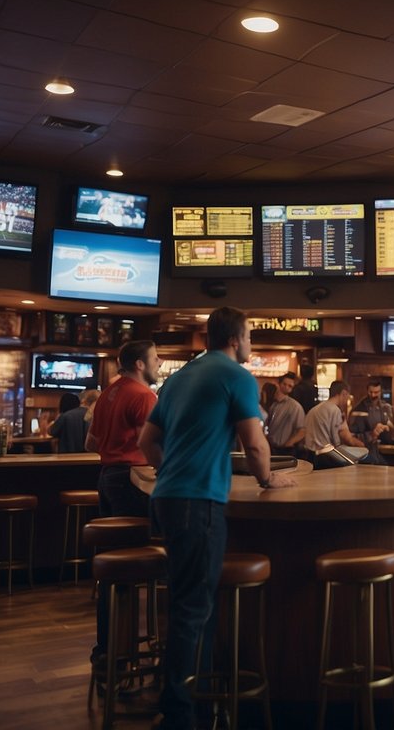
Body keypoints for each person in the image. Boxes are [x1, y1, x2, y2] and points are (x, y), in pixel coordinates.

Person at [138, 307, 296, 730]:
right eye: (249, 337)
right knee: (193, 610)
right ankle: (178, 715)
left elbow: (147, 441)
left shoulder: (178, 378)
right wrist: (268, 480)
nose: (251, 345)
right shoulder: (237, 376)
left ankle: (193, 702)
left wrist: (173, 468)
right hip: (197, 503)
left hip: (167, 499)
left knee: (186, 604)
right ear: (235, 339)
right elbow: (255, 445)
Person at [88, 340, 159, 518]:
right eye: (155, 358)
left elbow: (90, 443)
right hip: (132, 479)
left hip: (107, 477)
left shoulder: (106, 394)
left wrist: (115, 450)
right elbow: (148, 442)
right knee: (135, 541)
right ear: (140, 364)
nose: (160, 362)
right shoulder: (144, 396)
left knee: (114, 541)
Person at [303, 380, 366, 467]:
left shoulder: (313, 410)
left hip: (309, 456)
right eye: (348, 396)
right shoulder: (335, 410)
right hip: (325, 458)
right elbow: (341, 440)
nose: (347, 400)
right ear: (344, 393)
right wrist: (362, 447)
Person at [349, 381, 394, 463]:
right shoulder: (359, 409)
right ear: (367, 391)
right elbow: (351, 437)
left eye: (376, 392)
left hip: (382, 452)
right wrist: (372, 434)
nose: (373, 395)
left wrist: (387, 428)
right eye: (371, 392)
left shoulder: (385, 408)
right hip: (365, 454)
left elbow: (391, 427)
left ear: (380, 392)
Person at [264, 371, 305, 455]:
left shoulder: (295, 406)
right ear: (279, 384)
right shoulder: (273, 404)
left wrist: (289, 443)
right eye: (284, 384)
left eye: (290, 386)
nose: (286, 387)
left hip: (285, 450)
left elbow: (302, 431)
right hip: (271, 447)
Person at [51, 389, 98, 453]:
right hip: (89, 458)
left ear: (84, 400)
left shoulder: (66, 415)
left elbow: (52, 432)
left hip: (65, 458)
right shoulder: (96, 417)